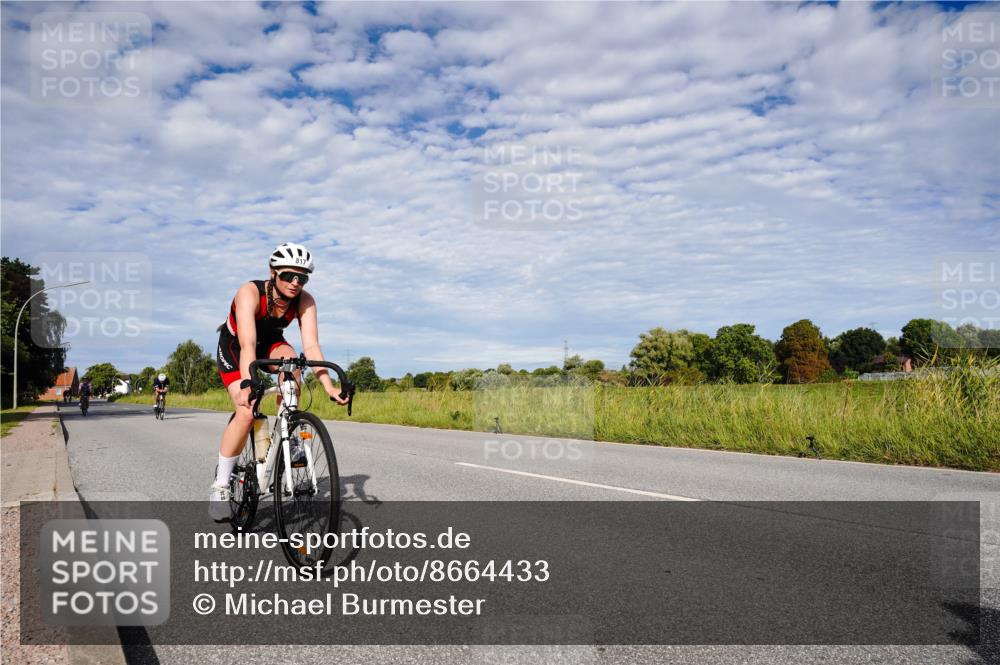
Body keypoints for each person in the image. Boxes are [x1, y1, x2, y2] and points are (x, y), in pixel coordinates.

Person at [209, 242, 349, 521]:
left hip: (270, 344)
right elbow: (248, 343)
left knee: (293, 362)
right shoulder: (249, 292)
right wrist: (249, 383)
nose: (296, 282)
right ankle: (221, 485)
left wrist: (329, 386)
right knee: (246, 412)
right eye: (288, 275)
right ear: (272, 272)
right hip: (237, 346)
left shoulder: (305, 300)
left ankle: (288, 430)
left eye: (303, 277)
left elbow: (311, 347)